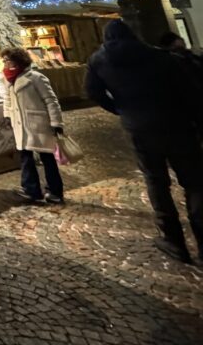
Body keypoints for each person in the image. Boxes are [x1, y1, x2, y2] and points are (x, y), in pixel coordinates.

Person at [87, 20, 203, 263]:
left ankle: (173, 240)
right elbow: (188, 90)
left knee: (156, 181)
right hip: (176, 124)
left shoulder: (99, 60)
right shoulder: (159, 56)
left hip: (139, 129)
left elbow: (93, 93)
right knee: (194, 182)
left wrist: (121, 109)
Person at [1, 46, 65, 206]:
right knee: (25, 157)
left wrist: (56, 122)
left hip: (38, 123)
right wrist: (8, 115)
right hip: (20, 123)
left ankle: (55, 191)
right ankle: (31, 189)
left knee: (47, 158)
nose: (4, 63)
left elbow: (51, 100)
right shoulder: (9, 79)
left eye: (7, 60)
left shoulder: (36, 77)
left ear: (17, 60)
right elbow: (8, 99)